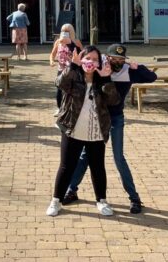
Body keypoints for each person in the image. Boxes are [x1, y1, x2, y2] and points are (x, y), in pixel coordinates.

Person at [64, 44, 157, 214]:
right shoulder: (98, 66)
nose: (117, 62)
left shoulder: (129, 70)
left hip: (115, 118)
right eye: (113, 58)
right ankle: (71, 190)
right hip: (97, 118)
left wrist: (139, 67)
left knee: (118, 157)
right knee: (85, 156)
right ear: (107, 57)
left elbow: (152, 77)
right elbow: (75, 78)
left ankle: (134, 198)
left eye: (121, 59)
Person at [47, 46, 119, 217]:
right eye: (88, 58)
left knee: (98, 167)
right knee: (66, 166)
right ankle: (55, 201)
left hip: (95, 131)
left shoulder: (102, 80)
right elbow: (59, 83)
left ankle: (101, 201)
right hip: (73, 130)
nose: (91, 62)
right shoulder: (74, 76)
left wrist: (106, 78)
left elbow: (114, 100)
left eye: (95, 59)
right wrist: (72, 66)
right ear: (81, 59)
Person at [49, 24, 83, 115]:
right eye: (63, 31)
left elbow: (83, 54)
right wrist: (52, 61)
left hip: (72, 69)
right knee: (59, 90)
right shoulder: (58, 42)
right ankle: (59, 108)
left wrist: (72, 44)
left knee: (72, 90)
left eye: (68, 31)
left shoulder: (76, 41)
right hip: (61, 69)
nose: (65, 33)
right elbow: (52, 54)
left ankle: (72, 109)